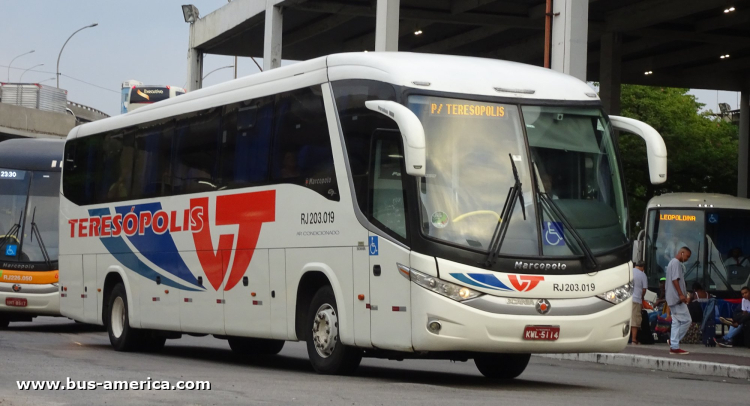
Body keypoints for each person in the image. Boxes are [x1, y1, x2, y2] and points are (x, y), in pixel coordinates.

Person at [666, 246, 692, 355]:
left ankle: (674, 347)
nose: (687, 259)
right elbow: (675, 280)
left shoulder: (672, 263)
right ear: (682, 253)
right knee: (687, 320)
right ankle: (673, 342)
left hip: (672, 298)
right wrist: (681, 294)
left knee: (676, 322)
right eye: (687, 256)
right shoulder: (676, 262)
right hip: (677, 298)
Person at [631, 261, 649, 344]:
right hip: (636, 299)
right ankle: (634, 339)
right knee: (635, 319)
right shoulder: (642, 275)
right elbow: (644, 290)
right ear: (643, 267)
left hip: (626, 299)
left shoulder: (630, 271)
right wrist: (642, 299)